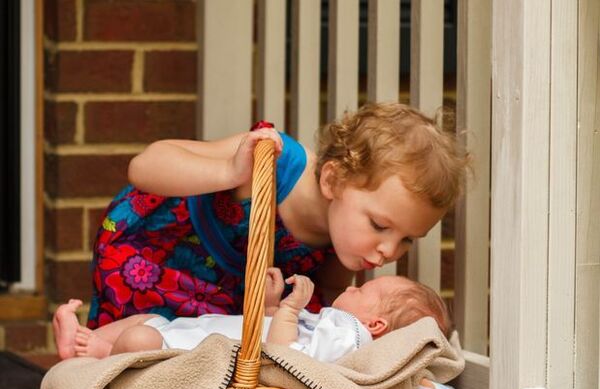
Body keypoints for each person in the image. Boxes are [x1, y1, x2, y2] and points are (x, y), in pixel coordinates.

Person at [87, 103, 469, 330]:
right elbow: (145, 165)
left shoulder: (345, 243)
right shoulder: (276, 160)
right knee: (125, 342)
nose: (389, 250)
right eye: (380, 226)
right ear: (333, 180)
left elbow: (330, 298)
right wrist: (229, 172)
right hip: (160, 253)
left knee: (184, 351)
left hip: (226, 297)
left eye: (407, 239)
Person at [53, 269, 451, 361]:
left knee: (141, 339)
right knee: (145, 321)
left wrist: (291, 308)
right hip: (191, 332)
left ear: (375, 325)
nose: (350, 288)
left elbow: (285, 359)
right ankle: (89, 340)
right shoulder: (332, 327)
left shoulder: (349, 338)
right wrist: (272, 307)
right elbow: (276, 332)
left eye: (362, 291)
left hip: (185, 354)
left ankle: (98, 355)